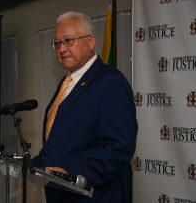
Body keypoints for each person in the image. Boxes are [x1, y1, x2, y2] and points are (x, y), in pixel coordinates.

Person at [32, 11, 138, 203]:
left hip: (94, 196)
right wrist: (31, 165)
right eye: (57, 43)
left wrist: (73, 175)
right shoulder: (66, 83)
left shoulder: (111, 82)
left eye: (68, 40)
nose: (61, 48)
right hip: (60, 196)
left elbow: (119, 148)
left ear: (91, 41)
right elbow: (61, 143)